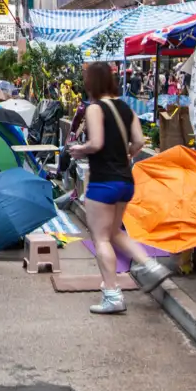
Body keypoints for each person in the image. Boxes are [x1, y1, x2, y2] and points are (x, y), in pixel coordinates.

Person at [68, 62, 171, 314]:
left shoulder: (95, 108)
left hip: (103, 182)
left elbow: (96, 143)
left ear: (92, 83)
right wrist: (126, 155)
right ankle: (150, 265)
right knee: (114, 232)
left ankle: (112, 294)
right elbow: (139, 141)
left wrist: (79, 150)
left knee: (101, 238)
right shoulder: (126, 108)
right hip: (126, 181)